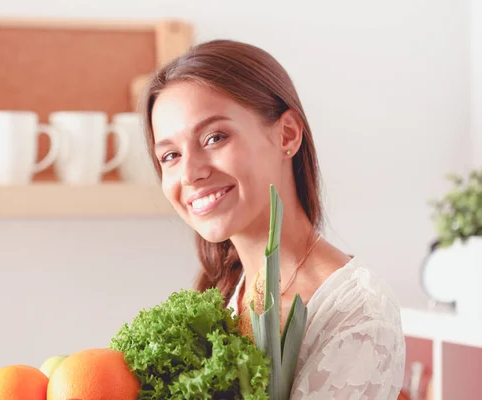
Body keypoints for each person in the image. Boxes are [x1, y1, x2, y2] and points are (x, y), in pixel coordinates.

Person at [139, 39, 406, 399]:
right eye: (170, 155)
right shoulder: (229, 297)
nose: (189, 173)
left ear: (288, 135)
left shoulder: (357, 312)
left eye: (215, 137)